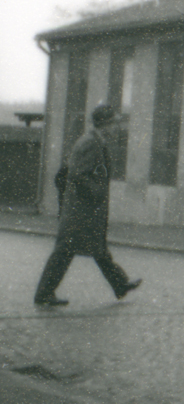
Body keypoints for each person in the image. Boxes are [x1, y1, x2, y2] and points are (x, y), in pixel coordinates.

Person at [34, 103, 142, 307]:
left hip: (86, 209)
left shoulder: (96, 142)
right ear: (105, 124)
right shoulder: (90, 143)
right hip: (80, 211)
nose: (117, 128)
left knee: (98, 249)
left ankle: (120, 284)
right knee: (65, 251)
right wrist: (96, 192)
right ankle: (43, 294)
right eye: (114, 124)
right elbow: (75, 173)